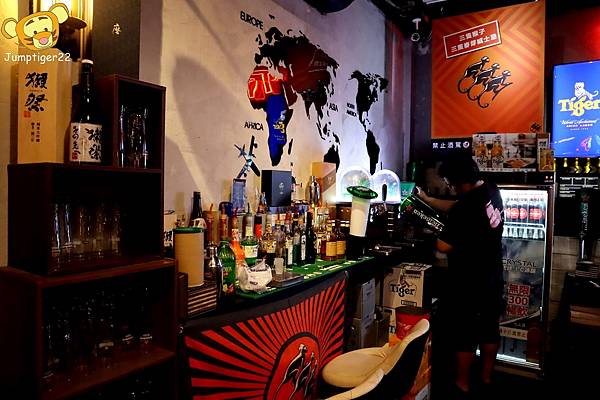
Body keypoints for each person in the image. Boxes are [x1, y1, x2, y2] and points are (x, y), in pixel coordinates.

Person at [417, 155, 504, 399]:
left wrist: (427, 229)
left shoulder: (466, 207)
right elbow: (456, 206)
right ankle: (486, 378)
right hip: (493, 274)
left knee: (466, 333)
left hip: (470, 279)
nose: (450, 187)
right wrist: (427, 200)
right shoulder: (490, 189)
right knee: (489, 328)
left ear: (459, 181)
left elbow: (443, 246)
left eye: (450, 182)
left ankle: (462, 384)